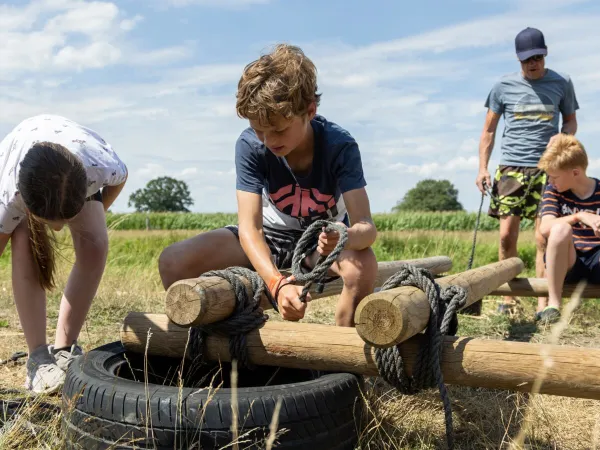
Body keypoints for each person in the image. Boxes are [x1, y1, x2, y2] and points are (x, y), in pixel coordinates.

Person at [159, 43, 378, 327]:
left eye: (278, 130)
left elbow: (366, 227)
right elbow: (251, 228)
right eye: (259, 130)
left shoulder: (339, 145)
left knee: (362, 267)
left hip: (318, 247)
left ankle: (343, 356)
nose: (269, 141)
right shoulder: (250, 145)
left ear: (309, 110)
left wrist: (344, 237)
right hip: (270, 240)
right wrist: (276, 283)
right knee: (173, 261)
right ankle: (216, 347)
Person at [0, 114, 128, 394]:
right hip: (23, 166)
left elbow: (121, 179)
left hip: (72, 168)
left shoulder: (101, 166)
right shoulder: (10, 196)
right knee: (25, 243)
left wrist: (93, 215)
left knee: (95, 245)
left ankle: (64, 348)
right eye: (51, 222)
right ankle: (38, 359)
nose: (58, 229)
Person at [473, 27, 579, 315]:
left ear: (545, 55)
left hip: (548, 168)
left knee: (544, 236)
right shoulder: (502, 87)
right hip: (511, 167)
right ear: (518, 60)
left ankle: (543, 303)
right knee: (507, 235)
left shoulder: (562, 82)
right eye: (526, 60)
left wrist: (563, 137)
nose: (533, 64)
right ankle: (509, 299)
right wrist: (483, 168)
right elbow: (488, 131)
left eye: (537, 57)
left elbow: (570, 122)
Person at [537, 134, 600, 324]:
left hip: (597, 259)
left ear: (575, 173)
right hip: (569, 262)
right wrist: (579, 216)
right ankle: (554, 305)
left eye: (554, 176)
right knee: (559, 229)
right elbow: (545, 228)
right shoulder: (553, 191)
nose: (550, 180)